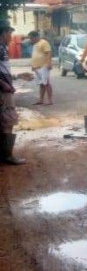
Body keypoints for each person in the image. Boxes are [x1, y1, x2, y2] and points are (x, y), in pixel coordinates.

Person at [0, 21, 25, 165]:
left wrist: (15, 77)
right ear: (3, 33)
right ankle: (7, 155)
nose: (11, 36)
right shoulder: (0, 48)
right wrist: (4, 84)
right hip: (3, 91)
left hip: (5, 88)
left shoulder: (3, 48)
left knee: (4, 121)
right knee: (8, 121)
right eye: (10, 33)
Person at [28, 31, 53, 106]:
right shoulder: (35, 44)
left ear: (36, 37)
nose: (31, 40)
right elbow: (35, 55)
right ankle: (41, 100)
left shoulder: (44, 42)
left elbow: (48, 53)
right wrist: (33, 65)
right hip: (37, 67)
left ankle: (50, 100)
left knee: (46, 83)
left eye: (31, 38)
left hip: (44, 66)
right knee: (41, 84)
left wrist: (48, 64)